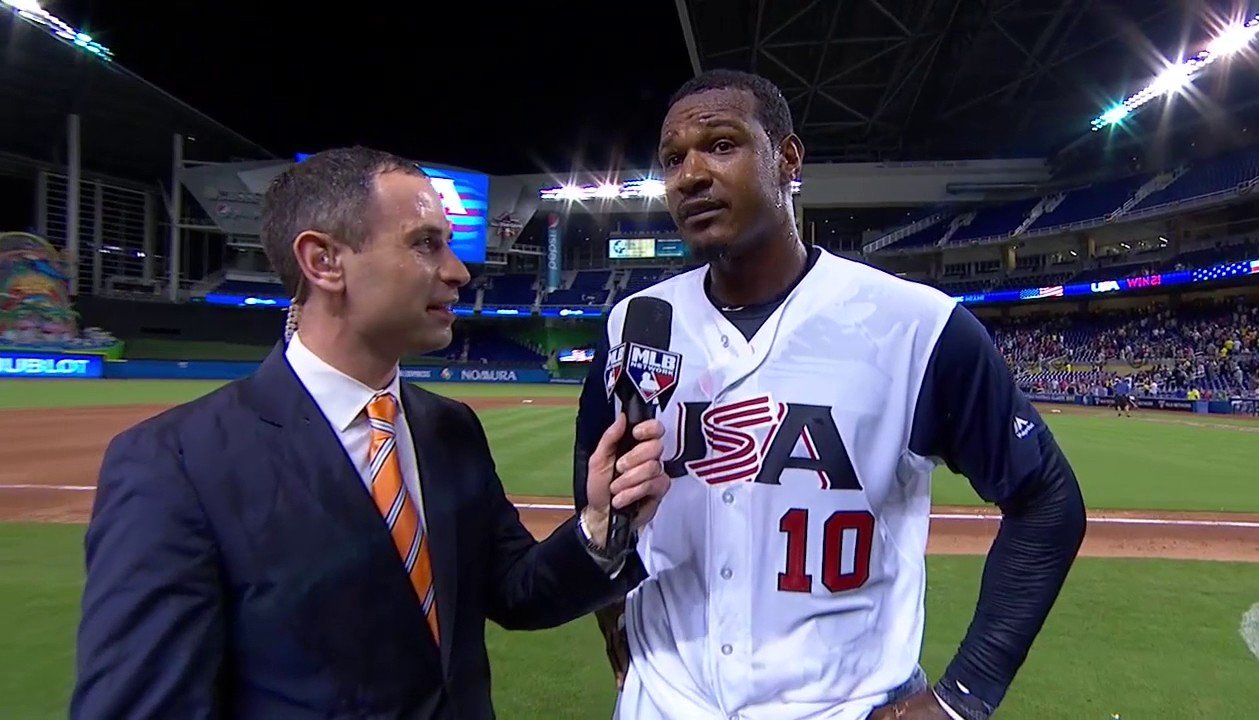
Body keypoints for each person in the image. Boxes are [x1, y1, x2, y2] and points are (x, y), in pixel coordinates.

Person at [72, 147, 670, 720]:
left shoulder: (450, 429)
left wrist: (601, 523)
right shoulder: (174, 464)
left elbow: (515, 592)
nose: (459, 271)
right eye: (425, 245)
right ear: (324, 261)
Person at [572, 70, 1087, 720]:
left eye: (722, 145)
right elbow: (596, 500)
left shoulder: (916, 326)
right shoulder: (631, 325)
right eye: (673, 158)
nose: (690, 174)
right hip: (666, 702)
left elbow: (1047, 500)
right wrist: (616, 633)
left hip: (845, 705)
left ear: (788, 159)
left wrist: (962, 699)